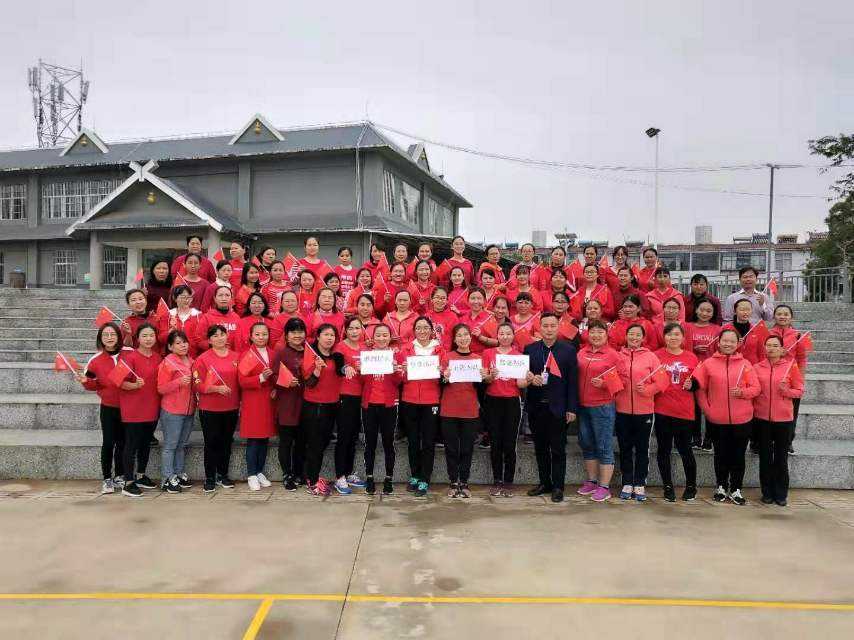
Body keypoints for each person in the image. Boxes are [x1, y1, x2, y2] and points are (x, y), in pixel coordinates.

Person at [692, 328, 761, 505]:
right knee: (720, 455)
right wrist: (708, 410)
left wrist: (743, 393)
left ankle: (736, 489)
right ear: (718, 342)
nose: (728, 344)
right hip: (717, 419)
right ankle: (721, 486)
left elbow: (756, 389)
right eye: (725, 341)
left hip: (742, 419)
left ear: (738, 344)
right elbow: (700, 389)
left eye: (732, 341)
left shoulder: (746, 364)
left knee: (738, 455)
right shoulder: (708, 363)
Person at [521, 313, 579, 502]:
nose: (549, 329)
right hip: (537, 407)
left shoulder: (568, 350)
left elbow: (572, 382)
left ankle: (558, 486)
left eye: (552, 326)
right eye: (545, 326)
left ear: (558, 327)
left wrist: (572, 408)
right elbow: (522, 375)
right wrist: (530, 378)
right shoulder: (529, 349)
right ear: (539, 327)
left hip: (559, 408)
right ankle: (544, 482)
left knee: (558, 449)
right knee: (540, 448)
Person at [576, 320, 624, 502]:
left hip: (603, 406)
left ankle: (604, 486)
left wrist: (604, 384)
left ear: (606, 335)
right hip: (583, 405)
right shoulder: (581, 353)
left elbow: (623, 381)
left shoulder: (613, 356)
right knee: (587, 443)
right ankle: (592, 481)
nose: (596, 335)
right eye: (593, 332)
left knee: (603, 445)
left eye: (600, 332)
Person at [78, 323, 129, 494]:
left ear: (118, 336)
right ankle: (107, 478)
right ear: (100, 338)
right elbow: (93, 384)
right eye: (105, 335)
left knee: (123, 443)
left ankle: (120, 475)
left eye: (113, 334)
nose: (109, 338)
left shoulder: (130, 353)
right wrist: (87, 383)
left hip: (129, 408)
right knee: (109, 443)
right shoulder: (95, 361)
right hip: (109, 408)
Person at [754, 335, 804, 506]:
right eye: (768, 345)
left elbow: (799, 391)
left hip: (784, 419)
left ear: (782, 349)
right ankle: (766, 492)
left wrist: (786, 391)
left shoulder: (791, 366)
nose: (771, 348)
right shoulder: (756, 367)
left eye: (775, 345)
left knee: (781, 458)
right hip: (761, 418)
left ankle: (781, 493)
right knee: (765, 457)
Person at [114, 324, 162, 498]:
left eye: (151, 335)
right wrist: (134, 385)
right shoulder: (129, 357)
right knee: (131, 445)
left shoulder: (158, 357)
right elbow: (117, 381)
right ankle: (128, 482)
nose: (148, 339)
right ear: (137, 338)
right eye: (144, 336)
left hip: (152, 407)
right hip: (134, 408)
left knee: (145, 444)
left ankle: (141, 475)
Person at [615, 324, 661, 502]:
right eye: (631, 334)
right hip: (622, 410)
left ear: (643, 338)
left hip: (645, 411)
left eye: (638, 335)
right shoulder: (618, 356)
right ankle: (627, 481)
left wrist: (648, 389)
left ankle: (640, 482)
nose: (634, 338)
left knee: (642, 448)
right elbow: (611, 378)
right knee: (625, 447)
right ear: (626, 336)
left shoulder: (651, 357)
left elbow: (661, 382)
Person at [397, 316, 443, 497]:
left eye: (426, 328)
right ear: (414, 330)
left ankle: (425, 478)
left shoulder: (439, 350)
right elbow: (399, 378)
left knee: (429, 441)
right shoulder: (406, 349)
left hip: (431, 400)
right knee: (413, 441)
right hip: (409, 399)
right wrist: (402, 371)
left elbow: (445, 377)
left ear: (431, 330)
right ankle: (415, 474)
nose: (422, 331)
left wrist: (442, 372)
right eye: (419, 328)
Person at [654, 323, 699, 501]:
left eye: (677, 335)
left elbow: (698, 382)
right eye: (669, 335)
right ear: (664, 337)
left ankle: (691, 486)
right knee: (663, 450)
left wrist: (693, 385)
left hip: (684, 410)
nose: (673, 338)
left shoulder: (691, 357)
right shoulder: (656, 356)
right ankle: (667, 486)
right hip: (662, 409)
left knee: (685, 450)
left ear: (683, 338)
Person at [302, 324, 349, 496]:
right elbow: (309, 383)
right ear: (318, 336)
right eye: (326, 334)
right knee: (315, 445)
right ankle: (312, 481)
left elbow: (342, 372)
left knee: (323, 444)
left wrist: (349, 368)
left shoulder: (336, 356)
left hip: (332, 405)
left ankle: (313, 476)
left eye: (332, 335)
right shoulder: (311, 356)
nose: (329, 338)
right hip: (315, 406)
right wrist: (316, 369)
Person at [192, 325, 240, 492]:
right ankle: (210, 477)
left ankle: (223, 475)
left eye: (222, 335)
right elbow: (197, 384)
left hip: (231, 407)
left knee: (226, 443)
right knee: (211, 443)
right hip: (210, 408)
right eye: (215, 336)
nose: (220, 338)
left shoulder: (236, 356)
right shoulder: (203, 359)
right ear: (210, 340)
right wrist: (215, 389)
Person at [440, 324, 486, 498]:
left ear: (470, 337)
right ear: (454, 339)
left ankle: (464, 482)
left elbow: (480, 388)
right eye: (459, 335)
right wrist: (444, 377)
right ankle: (453, 481)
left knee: (467, 448)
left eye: (466, 334)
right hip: (449, 409)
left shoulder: (477, 359)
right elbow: (440, 384)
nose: (463, 338)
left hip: (470, 409)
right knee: (451, 448)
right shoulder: (447, 357)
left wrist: (483, 377)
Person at [482, 323, 527, 496]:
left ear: (513, 335)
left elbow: (521, 384)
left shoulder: (519, 356)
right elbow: (484, 379)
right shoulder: (488, 353)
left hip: (512, 402)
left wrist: (528, 379)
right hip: (493, 400)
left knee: (510, 443)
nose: (505, 336)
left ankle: (508, 481)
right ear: (497, 335)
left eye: (508, 333)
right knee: (495, 442)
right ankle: (497, 480)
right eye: (502, 333)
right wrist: (489, 376)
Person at [359, 324, 402, 495]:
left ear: (390, 337)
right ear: (373, 337)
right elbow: (362, 380)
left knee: (388, 442)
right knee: (369, 443)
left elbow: (399, 382)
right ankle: (369, 477)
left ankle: (388, 478)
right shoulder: (367, 355)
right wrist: (360, 367)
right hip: (369, 404)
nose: (382, 338)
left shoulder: (395, 355)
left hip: (389, 404)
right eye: (378, 335)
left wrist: (395, 370)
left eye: (385, 335)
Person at [238, 322, 276, 491]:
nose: (261, 337)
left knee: (264, 438)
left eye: (264, 334)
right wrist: (260, 377)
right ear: (251, 336)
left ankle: (260, 471)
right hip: (253, 400)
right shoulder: (247, 355)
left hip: (268, 400)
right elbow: (242, 381)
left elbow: (279, 377)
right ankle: (251, 474)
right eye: (258, 334)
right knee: (253, 439)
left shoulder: (273, 354)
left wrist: (276, 388)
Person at [156, 330, 196, 493]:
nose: (182, 345)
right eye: (178, 343)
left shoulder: (192, 361)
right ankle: (167, 477)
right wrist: (178, 382)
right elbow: (160, 388)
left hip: (189, 409)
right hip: (172, 410)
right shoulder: (167, 363)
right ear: (170, 347)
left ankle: (178, 473)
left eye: (184, 342)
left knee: (181, 444)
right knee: (171, 445)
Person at [768, 304, 811, 453]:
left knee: (792, 412)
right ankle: (770, 440)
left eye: (786, 314)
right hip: (772, 377)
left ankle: (788, 441)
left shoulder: (797, 335)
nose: (782, 316)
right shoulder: (768, 333)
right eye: (779, 314)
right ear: (774, 316)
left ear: (791, 317)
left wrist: (801, 378)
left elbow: (802, 358)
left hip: (791, 377)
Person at [271, 317, 307, 490]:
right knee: (286, 441)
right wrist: (286, 382)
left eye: (300, 331)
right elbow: (273, 376)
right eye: (293, 332)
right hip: (287, 402)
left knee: (302, 441)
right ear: (286, 335)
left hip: (306, 402)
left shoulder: (310, 351)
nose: (297, 335)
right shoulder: (281, 352)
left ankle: (300, 472)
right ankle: (287, 474)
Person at [332, 318, 367, 495]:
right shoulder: (340, 347)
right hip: (345, 396)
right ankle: (339, 476)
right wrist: (346, 367)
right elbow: (338, 366)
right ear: (345, 330)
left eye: (357, 328)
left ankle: (348, 472)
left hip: (361, 397)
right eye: (351, 328)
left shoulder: (365, 348)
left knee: (353, 437)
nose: (354, 332)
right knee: (344, 437)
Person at [687, 298, 722, 449]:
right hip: (693, 371)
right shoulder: (687, 326)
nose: (705, 313)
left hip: (711, 371)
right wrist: (694, 350)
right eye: (702, 310)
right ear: (696, 310)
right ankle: (695, 437)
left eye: (709, 311)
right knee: (694, 406)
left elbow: (721, 350)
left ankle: (709, 438)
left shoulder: (717, 329)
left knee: (710, 404)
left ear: (713, 313)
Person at [722, 298, 770, 365]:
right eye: (742, 309)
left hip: (752, 367)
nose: (745, 312)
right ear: (735, 311)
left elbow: (761, 352)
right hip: (731, 365)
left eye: (748, 309)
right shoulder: (725, 329)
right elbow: (720, 349)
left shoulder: (755, 329)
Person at [195, 286, 241, 352]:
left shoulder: (236, 318)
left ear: (231, 298)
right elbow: (198, 340)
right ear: (215, 298)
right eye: (220, 295)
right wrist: (214, 346)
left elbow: (240, 340)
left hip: (233, 357)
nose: (224, 298)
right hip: (213, 356)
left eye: (227, 295)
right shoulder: (207, 317)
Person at [459, 288, 493, 355]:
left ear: (484, 300)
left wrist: (481, 337)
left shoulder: (490, 318)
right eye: (473, 298)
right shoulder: (462, 319)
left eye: (479, 298)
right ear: (468, 300)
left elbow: (497, 342)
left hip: (483, 358)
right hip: (465, 357)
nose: (476, 301)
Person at [427, 287, 459, 351]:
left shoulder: (453, 317)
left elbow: (456, 338)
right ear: (432, 299)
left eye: (443, 298)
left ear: (447, 301)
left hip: (446, 353)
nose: (440, 300)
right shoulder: (427, 316)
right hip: (429, 354)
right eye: (437, 297)